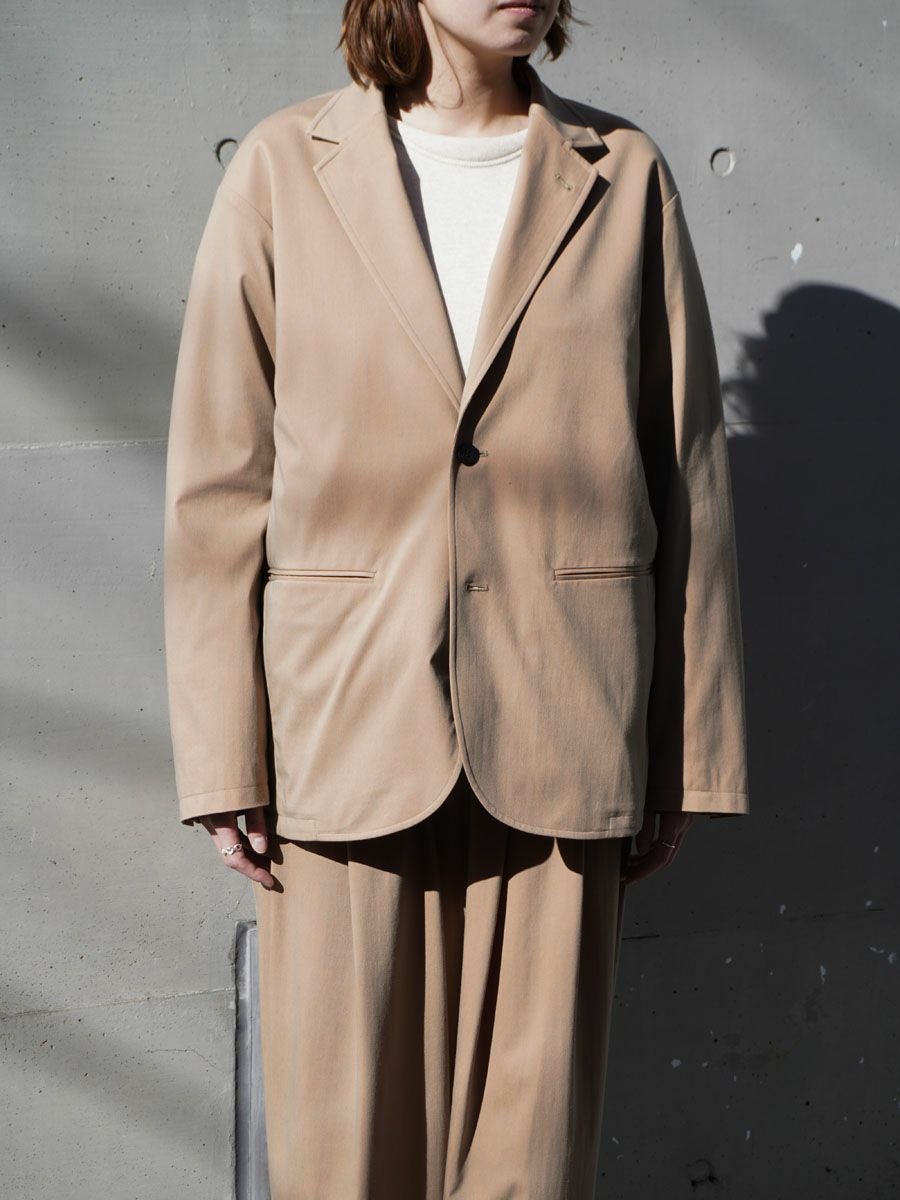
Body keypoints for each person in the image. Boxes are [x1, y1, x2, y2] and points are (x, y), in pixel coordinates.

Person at [163, 2, 750, 1196]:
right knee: (343, 1152)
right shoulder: (284, 167)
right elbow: (220, 482)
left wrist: (688, 751)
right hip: (342, 720)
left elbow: (683, 462)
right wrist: (224, 757)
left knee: (533, 1158)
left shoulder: (621, 174)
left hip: (567, 706)